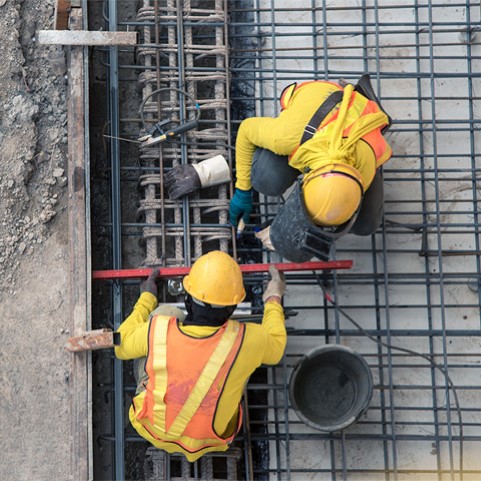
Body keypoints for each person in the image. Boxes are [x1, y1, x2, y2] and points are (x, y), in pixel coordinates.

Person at [114, 251, 286, 462]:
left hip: (153, 428)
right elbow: (277, 346)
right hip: (212, 441)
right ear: (232, 309)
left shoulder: (159, 330)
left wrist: (147, 298)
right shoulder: (247, 339)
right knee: (241, 362)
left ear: (187, 300)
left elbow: (120, 345)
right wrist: (273, 298)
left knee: (165, 313)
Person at [228, 74, 393, 262]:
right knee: (265, 181)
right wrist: (243, 189)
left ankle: (364, 100)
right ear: (306, 179)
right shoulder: (287, 137)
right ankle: (353, 93)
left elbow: (332, 204)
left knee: (366, 225)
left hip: (360, 127)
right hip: (318, 101)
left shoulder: (367, 164)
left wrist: (288, 230)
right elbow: (246, 130)